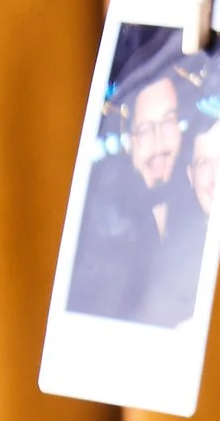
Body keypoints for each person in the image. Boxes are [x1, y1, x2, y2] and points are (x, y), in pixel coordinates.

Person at [67, 62, 210, 326]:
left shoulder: (205, 211)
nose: (158, 143)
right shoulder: (100, 235)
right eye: (145, 129)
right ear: (131, 143)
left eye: (167, 123)